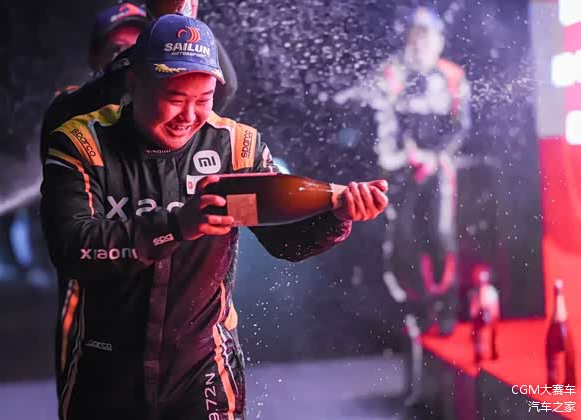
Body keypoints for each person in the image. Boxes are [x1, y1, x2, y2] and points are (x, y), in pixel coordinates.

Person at [41, 14, 389, 420]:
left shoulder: (236, 146)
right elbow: (71, 248)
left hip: (203, 371)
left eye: (204, 99)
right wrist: (176, 225)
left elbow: (284, 243)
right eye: (175, 98)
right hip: (105, 369)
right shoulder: (81, 142)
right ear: (134, 83)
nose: (189, 115)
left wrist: (337, 217)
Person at [335, 6, 470, 405]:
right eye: (415, 36)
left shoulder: (453, 76)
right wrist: (399, 158)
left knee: (441, 235)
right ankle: (416, 310)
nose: (420, 44)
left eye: (427, 37)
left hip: (438, 167)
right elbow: (380, 124)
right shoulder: (391, 73)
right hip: (399, 170)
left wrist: (434, 157)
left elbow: (461, 126)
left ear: (439, 42)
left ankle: (446, 307)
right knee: (403, 242)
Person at [40, 0, 238, 161]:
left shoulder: (177, 110)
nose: (128, 53)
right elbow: (108, 92)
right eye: (117, 48)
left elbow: (226, 87)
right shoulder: (71, 102)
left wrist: (188, 30)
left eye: (138, 43)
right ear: (94, 55)